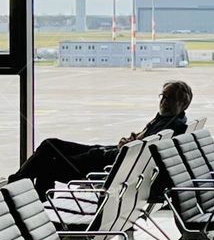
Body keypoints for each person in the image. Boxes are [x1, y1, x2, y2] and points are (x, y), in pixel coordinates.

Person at [9, 79, 194, 200]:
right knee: (50, 144)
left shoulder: (169, 125)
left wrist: (126, 146)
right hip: (106, 154)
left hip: (102, 165)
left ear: (183, 103)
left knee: (44, 165)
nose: (163, 101)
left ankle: (22, 196)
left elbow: (138, 152)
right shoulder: (171, 121)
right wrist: (133, 139)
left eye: (169, 98)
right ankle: (21, 189)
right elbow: (143, 143)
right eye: (162, 96)